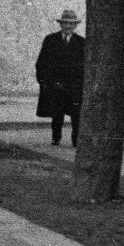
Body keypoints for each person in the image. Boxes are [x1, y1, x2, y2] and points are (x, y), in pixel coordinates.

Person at [35, 8, 86, 147]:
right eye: (65, 23)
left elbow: (85, 66)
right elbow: (41, 63)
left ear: (75, 26)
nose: (68, 26)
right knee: (57, 114)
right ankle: (56, 138)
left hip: (74, 86)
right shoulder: (50, 40)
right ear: (60, 24)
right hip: (56, 85)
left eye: (71, 24)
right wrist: (45, 82)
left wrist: (81, 84)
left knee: (76, 115)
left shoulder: (82, 43)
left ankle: (76, 141)